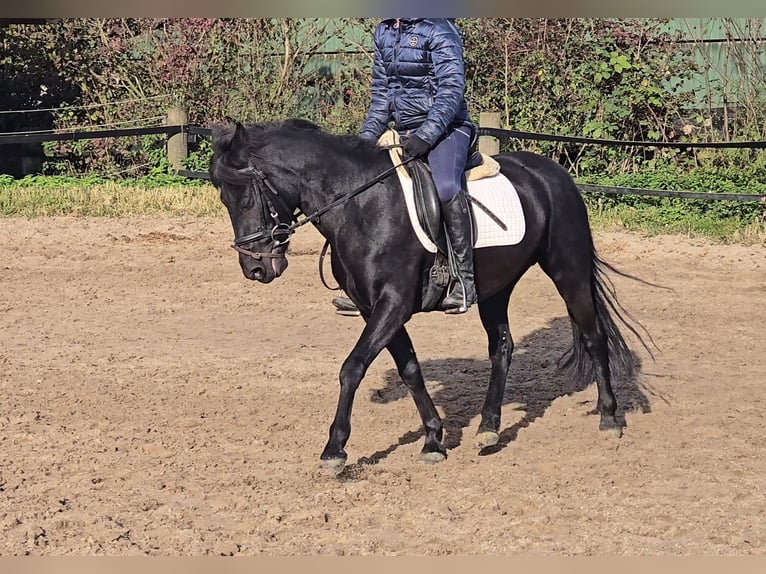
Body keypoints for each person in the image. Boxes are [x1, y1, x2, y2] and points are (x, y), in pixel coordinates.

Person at [332, 18, 477, 316]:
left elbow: (451, 90)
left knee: (446, 186)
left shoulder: (439, 28)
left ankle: (464, 280)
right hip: (404, 131)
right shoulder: (385, 31)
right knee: (365, 184)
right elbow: (382, 95)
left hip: (448, 128)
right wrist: (365, 142)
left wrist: (426, 135)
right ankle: (361, 285)